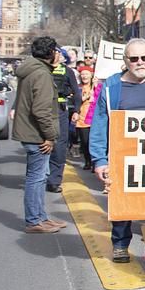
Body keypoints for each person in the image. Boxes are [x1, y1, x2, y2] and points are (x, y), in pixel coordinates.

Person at [90, 38, 145, 262]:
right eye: (134, 58)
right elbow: (100, 123)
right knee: (123, 204)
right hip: (124, 157)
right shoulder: (112, 86)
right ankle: (120, 245)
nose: (140, 62)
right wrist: (100, 159)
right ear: (125, 61)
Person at [15, 37, 65, 234]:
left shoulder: (32, 69)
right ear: (50, 52)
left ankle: (41, 217)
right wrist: (50, 136)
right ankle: (34, 220)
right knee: (36, 178)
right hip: (37, 135)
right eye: (56, 51)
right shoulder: (41, 74)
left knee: (39, 177)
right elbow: (41, 110)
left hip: (32, 132)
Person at [45, 48, 81, 194]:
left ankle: (54, 181)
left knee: (59, 146)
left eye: (59, 53)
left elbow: (76, 92)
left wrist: (76, 111)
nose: (57, 55)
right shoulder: (41, 70)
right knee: (40, 144)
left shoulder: (67, 71)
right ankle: (39, 176)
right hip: (43, 109)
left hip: (60, 110)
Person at [74, 67, 97, 171]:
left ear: (91, 75)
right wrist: (88, 95)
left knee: (94, 142)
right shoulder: (78, 87)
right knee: (85, 142)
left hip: (95, 118)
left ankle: (95, 163)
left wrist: (96, 89)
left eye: (86, 74)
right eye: (82, 74)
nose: (84, 76)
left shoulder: (97, 86)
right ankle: (88, 161)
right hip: (82, 119)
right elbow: (77, 100)